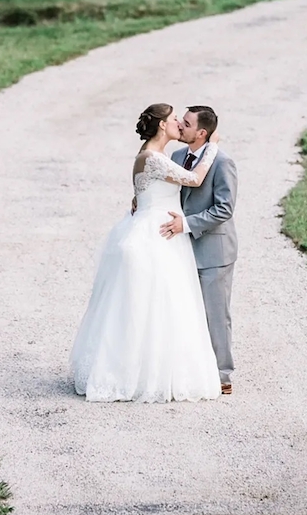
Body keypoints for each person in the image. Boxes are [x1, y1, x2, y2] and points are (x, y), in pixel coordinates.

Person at [71, 104, 221, 403]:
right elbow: (194, 179)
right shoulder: (152, 157)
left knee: (161, 307)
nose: (179, 123)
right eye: (175, 119)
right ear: (163, 126)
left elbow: (147, 192)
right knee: (152, 306)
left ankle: (153, 371)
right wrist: (212, 149)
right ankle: (138, 376)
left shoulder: (156, 156)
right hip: (156, 236)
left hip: (158, 229)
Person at [160, 106, 238, 395]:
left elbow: (224, 209)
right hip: (183, 249)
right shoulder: (178, 156)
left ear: (201, 133)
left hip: (214, 252)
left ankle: (222, 374)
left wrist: (187, 224)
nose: (180, 125)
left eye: (187, 123)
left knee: (216, 313)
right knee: (185, 311)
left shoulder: (223, 162)